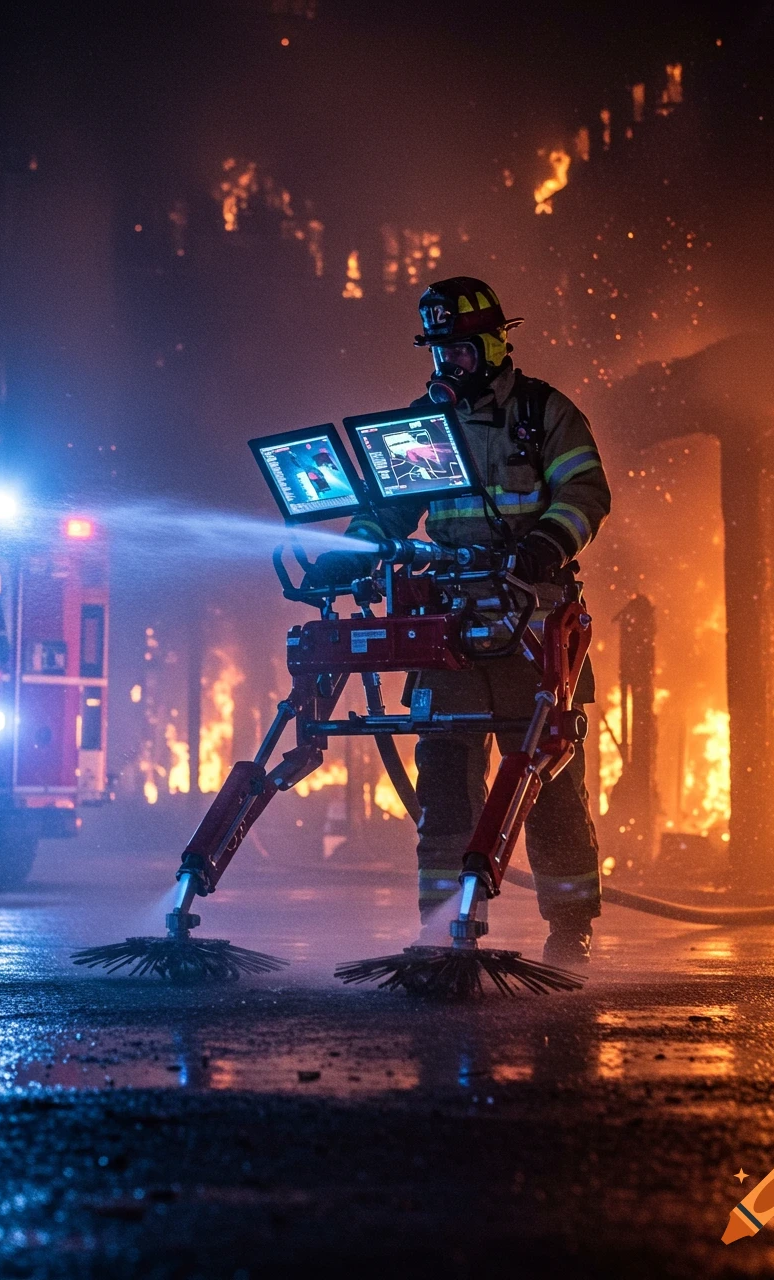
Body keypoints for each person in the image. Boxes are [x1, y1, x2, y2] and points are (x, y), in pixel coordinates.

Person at [312, 277, 611, 964]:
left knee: (551, 783)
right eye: (441, 352)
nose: (452, 365)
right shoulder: (421, 424)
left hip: (534, 631)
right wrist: (348, 557)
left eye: (464, 350)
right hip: (450, 631)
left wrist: (546, 544)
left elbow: (587, 491)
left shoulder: (542, 413)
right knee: (445, 787)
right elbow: (386, 514)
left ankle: (570, 930)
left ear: (499, 340)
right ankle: (443, 931)